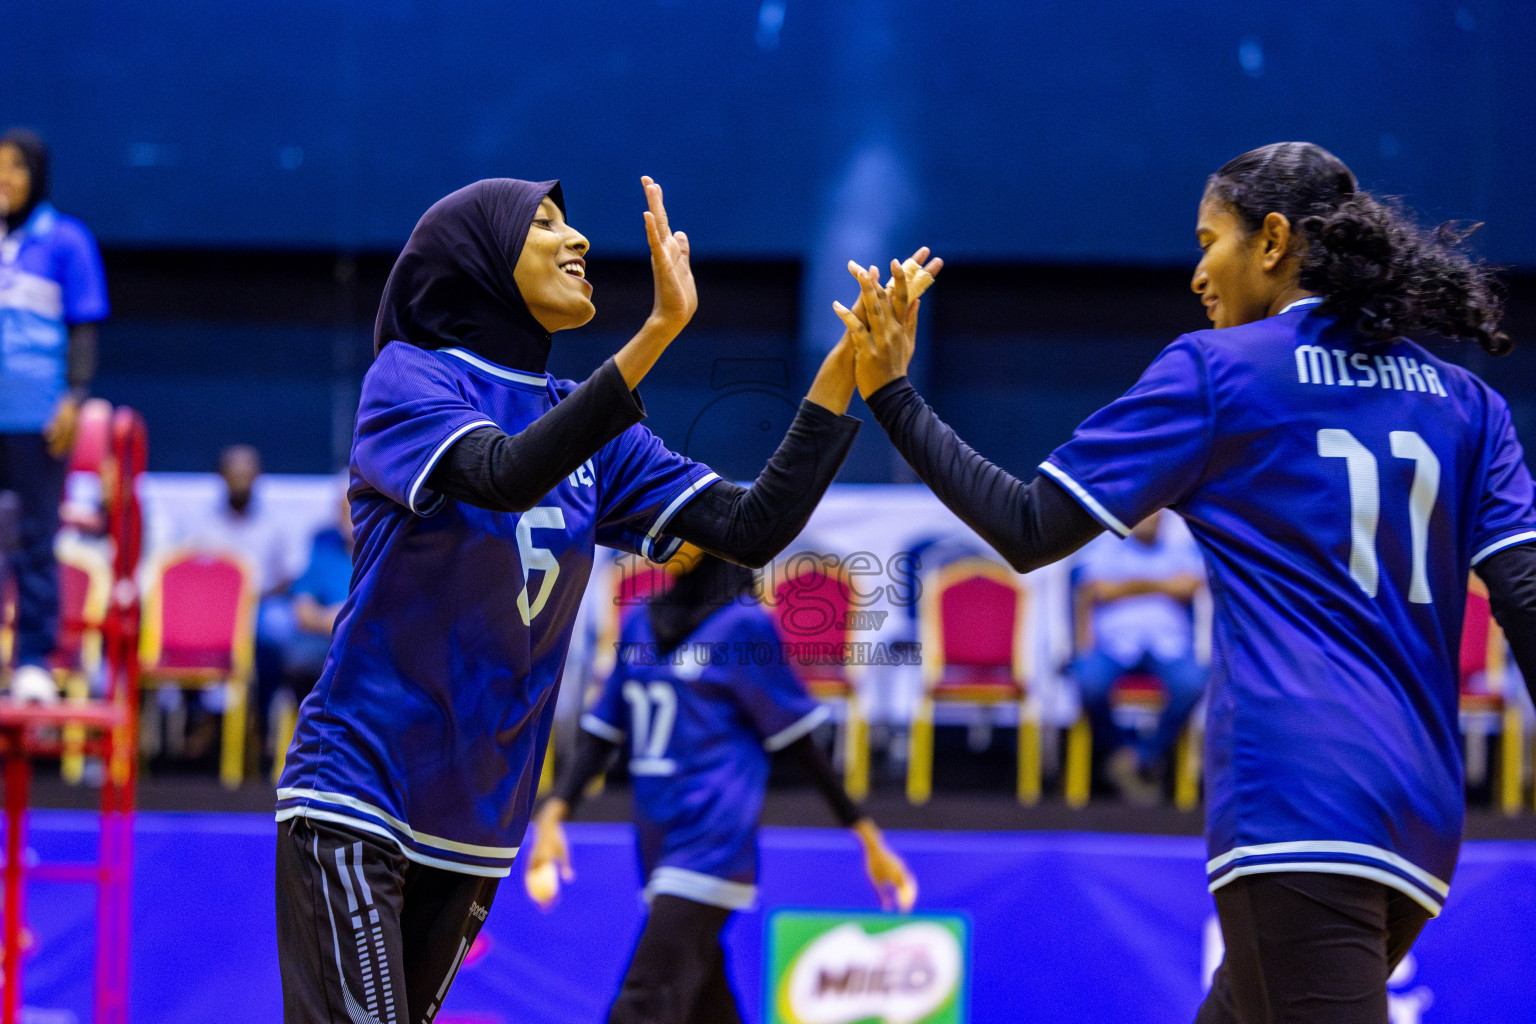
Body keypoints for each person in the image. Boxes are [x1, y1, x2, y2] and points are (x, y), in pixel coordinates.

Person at [837, 142, 1536, 1023]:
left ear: (1273, 240)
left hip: (1298, 798)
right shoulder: (1471, 405)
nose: (1198, 272)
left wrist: (894, 396)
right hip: (1423, 815)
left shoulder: (1220, 373)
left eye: (1209, 241)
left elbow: (1027, 527)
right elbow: (1527, 599)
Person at [274, 174, 939, 1024]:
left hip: (476, 821)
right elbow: (506, 474)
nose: (579, 238)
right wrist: (659, 332)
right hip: (360, 793)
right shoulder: (411, 378)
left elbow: (752, 526)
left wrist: (847, 367)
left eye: (572, 221)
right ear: (476, 258)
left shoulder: (598, 434)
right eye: (545, 224)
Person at [524, 545, 916, 1024]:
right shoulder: (640, 621)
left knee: (639, 1005)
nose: (658, 539)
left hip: (713, 842)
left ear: (712, 543)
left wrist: (868, 838)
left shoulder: (745, 627)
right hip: (657, 842)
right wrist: (554, 812)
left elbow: (799, 744)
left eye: (679, 531)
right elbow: (603, 733)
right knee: (708, 1004)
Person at [0, 128, 109, 704]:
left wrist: (73, 397)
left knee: (36, 539)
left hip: (39, 416)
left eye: (14, 168)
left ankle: (34, 659)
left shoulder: (66, 239)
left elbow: (84, 328)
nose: (3, 179)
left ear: (36, 176)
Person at [1070, 509, 1207, 804]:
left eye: (1158, 516)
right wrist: (1160, 585)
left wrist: (1128, 586)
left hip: (1168, 646)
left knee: (1193, 681)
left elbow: (1189, 586)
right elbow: (1097, 590)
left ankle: (1135, 758)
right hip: (1113, 646)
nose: (1151, 521)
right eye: (1146, 515)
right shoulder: (1106, 545)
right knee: (1087, 680)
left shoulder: (1179, 549)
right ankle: (1122, 753)